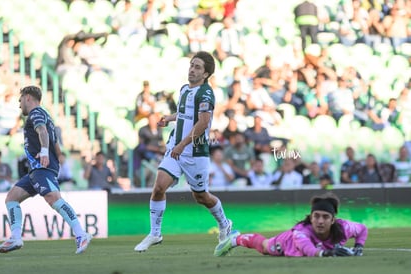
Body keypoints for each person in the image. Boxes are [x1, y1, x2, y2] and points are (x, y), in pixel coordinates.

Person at [134, 51, 233, 252]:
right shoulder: (185, 89)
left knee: (202, 197)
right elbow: (185, 113)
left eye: (197, 67)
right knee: (159, 187)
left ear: (205, 74)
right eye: (191, 65)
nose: (192, 69)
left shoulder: (206, 93)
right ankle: (155, 233)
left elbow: (203, 122)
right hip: (175, 148)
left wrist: (183, 145)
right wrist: (169, 119)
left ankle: (224, 223)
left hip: (194, 153)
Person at [0, 86, 91, 254]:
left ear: (27, 98)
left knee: (53, 198)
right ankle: (16, 237)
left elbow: (42, 131)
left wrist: (45, 152)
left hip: (42, 167)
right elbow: (54, 141)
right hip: (36, 169)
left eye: (20, 101)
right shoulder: (45, 114)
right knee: (12, 198)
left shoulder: (36, 113)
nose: (19, 105)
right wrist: (57, 157)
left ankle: (81, 234)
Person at [214, 192, 368, 257]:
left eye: (325, 217)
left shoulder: (344, 227)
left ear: (333, 220)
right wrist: (325, 253)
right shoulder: (301, 232)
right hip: (287, 243)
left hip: (319, 247)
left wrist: (359, 246)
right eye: (317, 216)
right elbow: (308, 250)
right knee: (265, 247)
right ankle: (235, 239)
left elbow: (362, 229)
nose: (320, 221)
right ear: (311, 217)